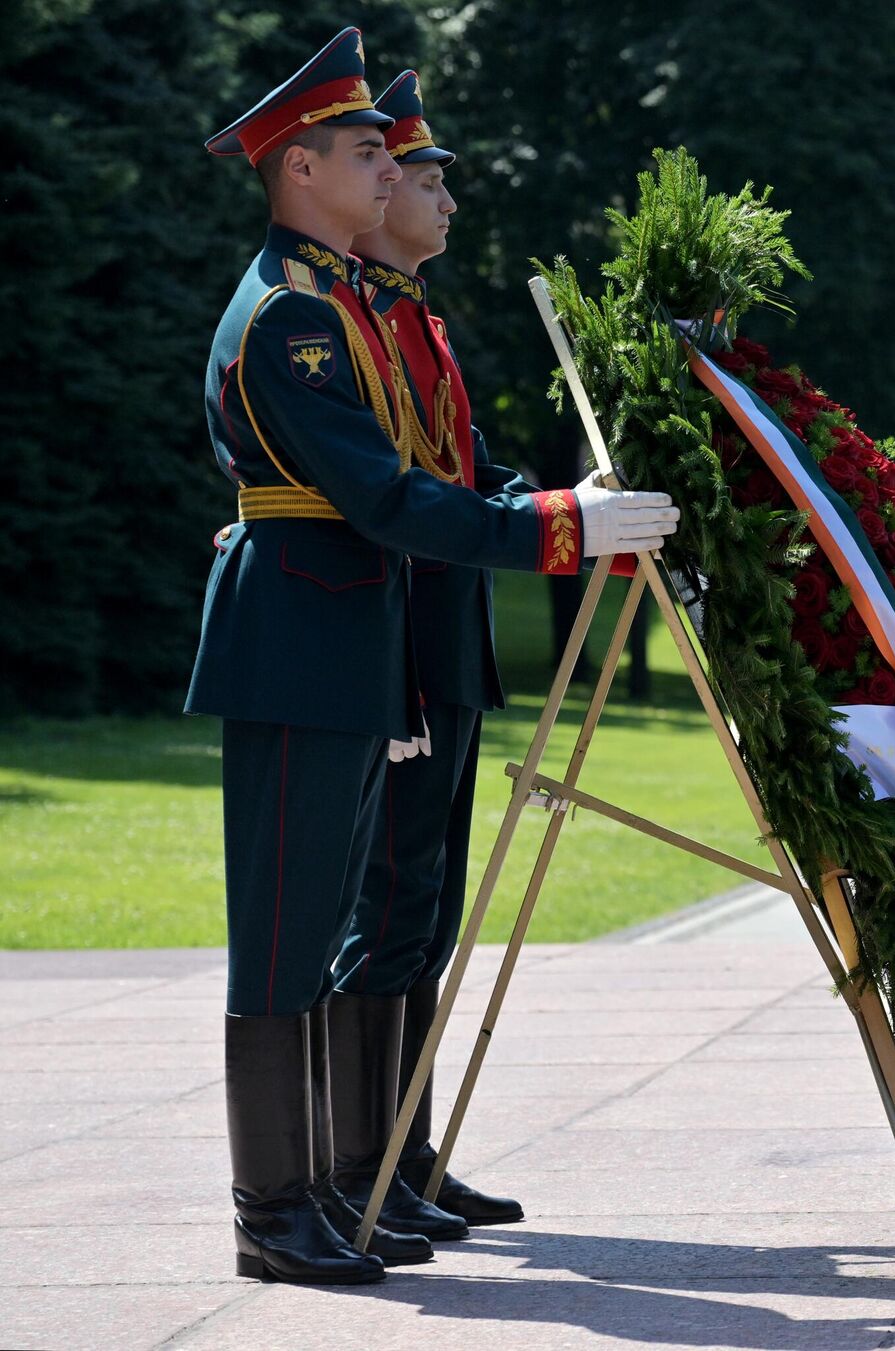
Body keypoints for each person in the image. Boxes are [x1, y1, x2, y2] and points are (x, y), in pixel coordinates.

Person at [192, 29, 679, 1284]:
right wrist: (562, 526)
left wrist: (553, 512)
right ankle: (277, 1206)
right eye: (368, 153)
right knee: (291, 933)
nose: (396, 171)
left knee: (357, 919)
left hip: (348, 637)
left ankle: (341, 1183)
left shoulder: (342, 306)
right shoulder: (293, 323)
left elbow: (425, 481)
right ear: (301, 171)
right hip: (305, 636)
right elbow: (386, 497)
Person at [317, 68, 531, 1245]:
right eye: (416, 177)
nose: (438, 197)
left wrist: (560, 503)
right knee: (388, 911)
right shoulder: (348, 319)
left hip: (445, 648)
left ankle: (408, 1152)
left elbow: (472, 475)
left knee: (428, 917)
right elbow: (390, 491)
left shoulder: (420, 323)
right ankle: (365, 1167)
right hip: (395, 649)